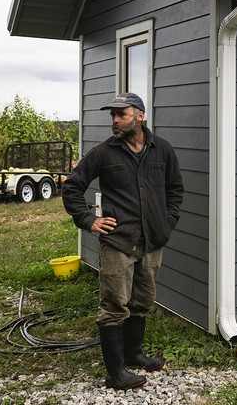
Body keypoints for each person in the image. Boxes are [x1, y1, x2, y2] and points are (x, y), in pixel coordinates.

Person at [62, 92, 183, 390]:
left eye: (122, 114)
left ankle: (134, 354)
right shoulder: (103, 153)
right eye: (112, 115)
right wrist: (90, 221)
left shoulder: (162, 150)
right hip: (118, 242)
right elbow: (72, 188)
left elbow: (175, 190)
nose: (115, 120)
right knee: (115, 305)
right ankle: (115, 373)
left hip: (152, 240)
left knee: (142, 301)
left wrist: (167, 223)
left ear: (139, 116)